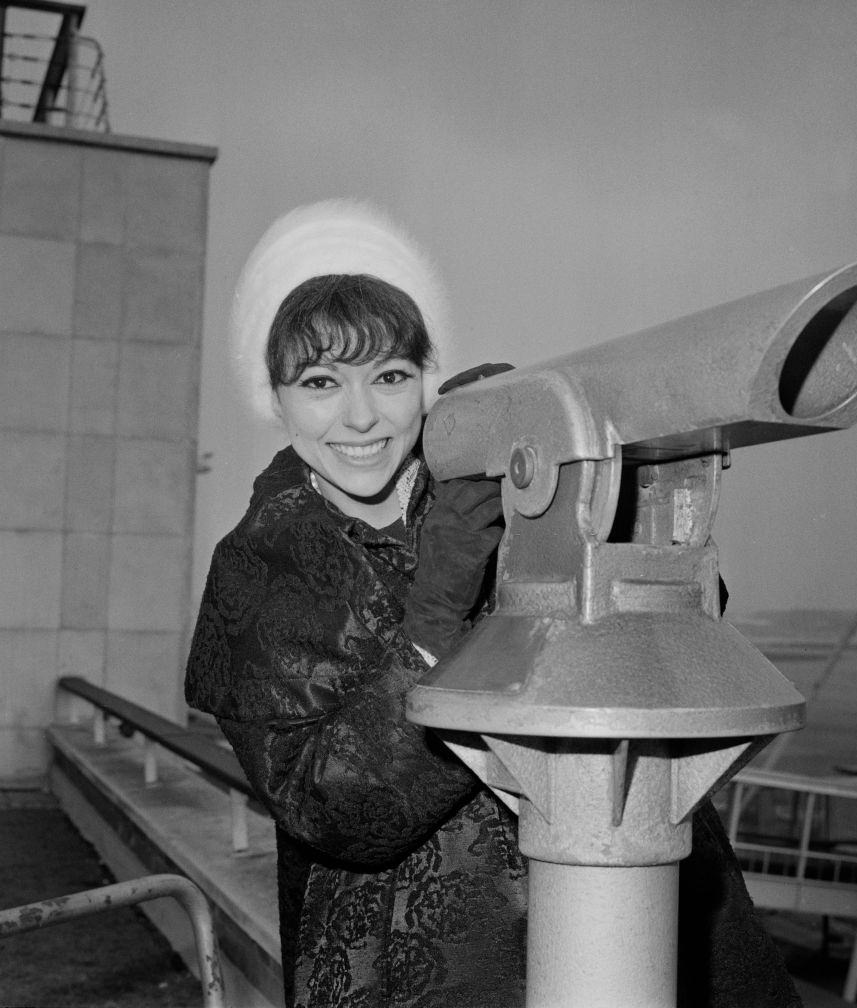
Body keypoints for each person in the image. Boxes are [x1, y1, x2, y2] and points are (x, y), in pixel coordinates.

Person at [185, 199, 802, 1008]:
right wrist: (436, 615)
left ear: (429, 383)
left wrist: (596, 488)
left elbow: (662, 648)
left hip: (632, 922)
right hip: (414, 961)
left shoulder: (486, 488)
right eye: (322, 383)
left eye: (392, 377)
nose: (362, 417)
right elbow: (336, 812)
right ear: (279, 398)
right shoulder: (257, 569)